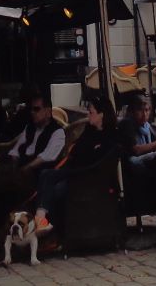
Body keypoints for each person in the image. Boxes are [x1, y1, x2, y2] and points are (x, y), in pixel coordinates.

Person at [32, 96, 118, 234]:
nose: (88, 115)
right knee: (46, 178)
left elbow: (93, 159)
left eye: (91, 112)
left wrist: (86, 153)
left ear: (101, 114)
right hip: (75, 171)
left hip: (88, 177)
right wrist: (89, 151)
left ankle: (45, 225)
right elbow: (77, 151)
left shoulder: (110, 134)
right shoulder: (90, 130)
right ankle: (42, 223)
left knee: (50, 181)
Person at [117, 95, 156, 211]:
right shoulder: (127, 124)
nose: (144, 114)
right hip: (131, 166)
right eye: (140, 110)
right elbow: (136, 150)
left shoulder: (146, 126)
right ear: (132, 111)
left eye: (147, 110)